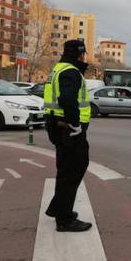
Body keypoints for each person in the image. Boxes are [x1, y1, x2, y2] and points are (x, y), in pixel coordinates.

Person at [43, 39, 93, 232]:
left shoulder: (59, 68)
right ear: (79, 54)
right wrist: (75, 125)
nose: (84, 57)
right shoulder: (71, 72)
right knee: (74, 169)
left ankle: (60, 210)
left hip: (58, 127)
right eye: (83, 53)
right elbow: (67, 99)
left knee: (66, 171)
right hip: (68, 130)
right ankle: (64, 219)